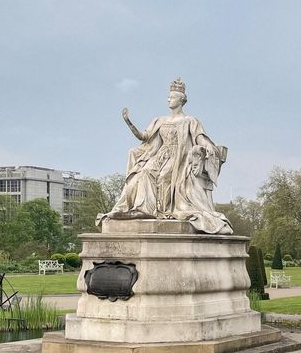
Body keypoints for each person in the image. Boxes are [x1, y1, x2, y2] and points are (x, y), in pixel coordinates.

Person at [98, 77, 233, 235]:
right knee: (144, 173)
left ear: (181, 100)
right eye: (168, 96)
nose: (169, 99)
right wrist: (129, 123)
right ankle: (143, 209)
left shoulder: (190, 120)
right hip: (160, 155)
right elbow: (144, 137)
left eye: (172, 96)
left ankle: (162, 211)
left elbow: (200, 138)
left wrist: (207, 149)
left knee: (163, 177)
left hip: (178, 159)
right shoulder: (160, 120)